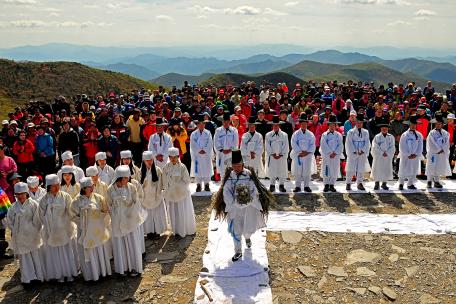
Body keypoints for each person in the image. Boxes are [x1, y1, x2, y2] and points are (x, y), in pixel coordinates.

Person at [214, 150, 271, 261]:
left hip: (248, 207)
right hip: (235, 208)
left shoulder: (248, 174)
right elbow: (226, 191)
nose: (236, 168)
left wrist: (248, 200)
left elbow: (254, 189)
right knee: (236, 229)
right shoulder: (230, 176)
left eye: (239, 166)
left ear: (242, 165)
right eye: (234, 166)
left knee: (248, 226)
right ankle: (238, 251)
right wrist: (233, 202)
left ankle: (248, 237)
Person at [106, 165, 146, 277]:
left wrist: (127, 209)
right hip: (117, 222)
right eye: (125, 178)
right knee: (120, 245)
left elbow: (136, 202)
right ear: (119, 178)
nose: (127, 179)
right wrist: (117, 209)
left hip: (130, 220)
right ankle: (122, 269)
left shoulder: (131, 188)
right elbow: (108, 205)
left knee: (132, 243)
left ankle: (134, 267)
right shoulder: (110, 190)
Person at [70, 177, 112, 281]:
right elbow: (73, 216)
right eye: (90, 187)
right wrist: (84, 221)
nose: (92, 187)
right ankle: (91, 276)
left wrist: (98, 217)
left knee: (100, 251)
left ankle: (103, 272)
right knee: (88, 253)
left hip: (97, 230)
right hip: (85, 231)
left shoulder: (99, 198)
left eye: (92, 186)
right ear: (84, 189)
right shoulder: (76, 201)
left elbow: (105, 211)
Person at [39, 174, 78, 282]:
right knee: (55, 253)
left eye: (57, 185)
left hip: (64, 229)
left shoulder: (65, 196)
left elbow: (71, 212)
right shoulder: (44, 200)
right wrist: (49, 222)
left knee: (66, 251)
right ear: (48, 187)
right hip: (52, 231)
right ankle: (59, 275)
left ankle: (70, 273)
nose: (56, 188)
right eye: (53, 186)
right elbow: (41, 216)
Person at [5, 182, 45, 284]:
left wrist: (33, 230)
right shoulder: (13, 207)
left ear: (26, 193)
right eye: (18, 195)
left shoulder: (33, 204)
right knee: (24, 258)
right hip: (20, 237)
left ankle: (38, 277)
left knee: (35, 256)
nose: (20, 196)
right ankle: (27, 279)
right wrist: (15, 230)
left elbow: (38, 220)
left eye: (22, 194)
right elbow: (9, 220)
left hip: (32, 235)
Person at [162, 148, 196, 238]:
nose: (173, 159)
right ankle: (176, 231)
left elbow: (187, 180)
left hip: (182, 194)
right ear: (169, 157)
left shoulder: (182, 167)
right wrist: (168, 188)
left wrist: (177, 185)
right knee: (173, 212)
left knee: (182, 211)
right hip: (172, 194)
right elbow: (164, 181)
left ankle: (184, 230)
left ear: (178, 157)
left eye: (175, 157)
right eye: (171, 157)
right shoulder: (166, 167)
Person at [140, 151, 167, 240]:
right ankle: (149, 232)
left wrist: (158, 195)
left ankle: (157, 231)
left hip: (156, 196)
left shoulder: (158, 170)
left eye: (151, 160)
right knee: (147, 215)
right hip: (145, 197)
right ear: (144, 161)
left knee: (156, 214)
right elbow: (138, 186)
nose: (149, 162)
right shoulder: (140, 172)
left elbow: (160, 184)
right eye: (147, 160)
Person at [290, 114, 316, 193]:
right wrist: (299, 152)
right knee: (298, 171)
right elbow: (293, 143)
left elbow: (312, 144)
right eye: (302, 124)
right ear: (300, 124)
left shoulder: (311, 134)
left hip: (307, 155)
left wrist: (307, 152)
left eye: (305, 123)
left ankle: (306, 186)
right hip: (298, 155)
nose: (304, 125)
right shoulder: (296, 134)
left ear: (307, 124)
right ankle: (297, 186)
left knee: (307, 171)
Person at [345, 113, 371, 191]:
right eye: (357, 122)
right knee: (350, 168)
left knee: (361, 168)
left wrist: (362, 150)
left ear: (362, 123)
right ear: (355, 122)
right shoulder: (350, 132)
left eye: (360, 122)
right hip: (353, 153)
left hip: (362, 153)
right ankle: (348, 183)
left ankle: (359, 183)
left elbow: (367, 143)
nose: (359, 124)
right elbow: (348, 142)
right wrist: (355, 151)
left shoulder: (366, 132)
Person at [398, 115, 424, 190]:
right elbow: (402, 146)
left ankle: (410, 183)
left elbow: (420, 146)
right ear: (409, 125)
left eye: (414, 125)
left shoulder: (419, 135)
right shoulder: (404, 135)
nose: (413, 126)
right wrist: (408, 154)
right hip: (406, 156)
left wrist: (416, 154)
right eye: (412, 125)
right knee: (403, 168)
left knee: (414, 169)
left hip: (415, 156)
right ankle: (401, 183)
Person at [425, 114, 451, 188]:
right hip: (433, 153)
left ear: (442, 124)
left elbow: (447, 143)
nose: (438, 125)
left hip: (442, 153)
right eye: (437, 124)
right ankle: (429, 181)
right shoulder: (431, 133)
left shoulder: (446, 133)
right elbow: (431, 143)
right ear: (435, 124)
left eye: (440, 124)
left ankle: (437, 181)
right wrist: (438, 149)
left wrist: (443, 149)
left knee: (438, 166)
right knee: (431, 166)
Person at [265, 115, 289, 192]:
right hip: (272, 156)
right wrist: (272, 154)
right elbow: (267, 146)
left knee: (282, 170)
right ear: (272, 125)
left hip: (281, 156)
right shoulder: (268, 135)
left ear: (279, 125)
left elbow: (286, 146)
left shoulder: (284, 135)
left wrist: (281, 154)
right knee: (272, 170)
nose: (275, 126)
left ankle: (281, 185)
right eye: (274, 125)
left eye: (277, 125)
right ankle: (272, 185)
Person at [320, 115, 344, 192]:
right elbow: (323, 145)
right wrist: (330, 152)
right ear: (328, 125)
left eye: (334, 125)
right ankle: (326, 184)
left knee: (334, 169)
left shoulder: (339, 135)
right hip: (327, 156)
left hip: (335, 156)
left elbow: (340, 145)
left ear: (336, 126)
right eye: (331, 125)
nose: (332, 127)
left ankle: (332, 184)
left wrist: (335, 153)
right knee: (326, 169)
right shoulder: (324, 135)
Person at [370, 117, 395, 190]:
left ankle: (384, 183)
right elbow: (374, 146)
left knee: (386, 169)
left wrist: (387, 153)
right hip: (378, 157)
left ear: (388, 129)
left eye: (386, 128)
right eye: (383, 128)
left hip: (387, 156)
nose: (384, 129)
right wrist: (381, 153)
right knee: (377, 169)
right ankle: (377, 183)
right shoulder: (377, 137)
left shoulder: (391, 137)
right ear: (380, 129)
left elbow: (392, 147)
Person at [190, 116, 214, 192]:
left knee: (207, 168)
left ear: (205, 124)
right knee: (198, 169)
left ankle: (207, 184)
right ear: (197, 125)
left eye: (203, 124)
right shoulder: (193, 134)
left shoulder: (208, 133)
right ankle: (198, 184)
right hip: (197, 155)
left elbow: (210, 143)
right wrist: (199, 150)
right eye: (199, 124)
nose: (201, 125)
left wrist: (205, 150)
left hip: (206, 155)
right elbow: (193, 144)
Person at [214, 112, 239, 178]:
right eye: (224, 121)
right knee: (222, 170)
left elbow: (236, 142)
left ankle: (231, 186)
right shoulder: (218, 130)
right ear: (222, 121)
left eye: (227, 121)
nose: (226, 123)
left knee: (231, 170)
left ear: (230, 121)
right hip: (221, 153)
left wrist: (230, 150)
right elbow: (216, 142)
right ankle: (223, 185)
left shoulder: (234, 130)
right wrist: (222, 150)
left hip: (231, 154)